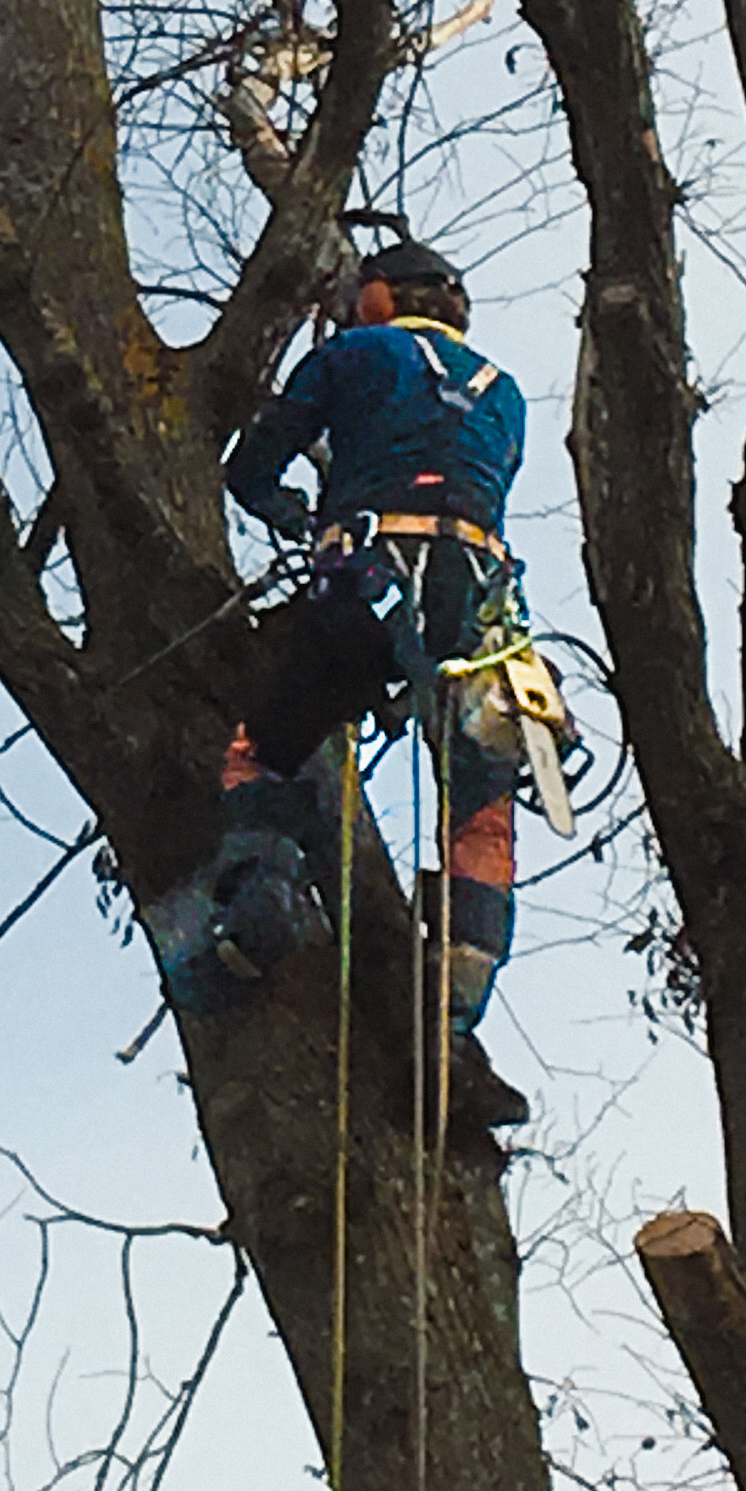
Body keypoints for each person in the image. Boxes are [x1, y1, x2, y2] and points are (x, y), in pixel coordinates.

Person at [220, 239, 543, 1134]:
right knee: (480, 808)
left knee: (268, 747)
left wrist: (294, 510)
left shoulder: (353, 353)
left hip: (370, 581)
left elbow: (251, 469)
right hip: (476, 612)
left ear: (376, 298)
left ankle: (261, 909)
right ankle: (460, 988)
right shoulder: (504, 393)